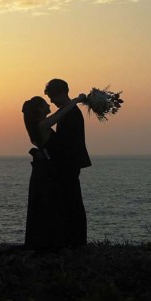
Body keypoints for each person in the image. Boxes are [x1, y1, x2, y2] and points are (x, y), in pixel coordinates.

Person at [21, 87, 87, 252]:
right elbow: (61, 114)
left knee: (51, 205)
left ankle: (53, 239)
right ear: (40, 109)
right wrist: (77, 100)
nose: (49, 103)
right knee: (52, 204)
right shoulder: (43, 124)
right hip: (48, 171)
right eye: (45, 103)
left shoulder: (39, 125)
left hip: (46, 169)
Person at [42, 78, 91, 248]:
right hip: (68, 163)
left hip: (68, 163)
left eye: (52, 97)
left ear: (61, 94)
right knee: (70, 200)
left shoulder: (70, 113)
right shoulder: (68, 111)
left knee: (72, 201)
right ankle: (73, 239)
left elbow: (67, 141)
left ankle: (76, 241)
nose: (51, 101)